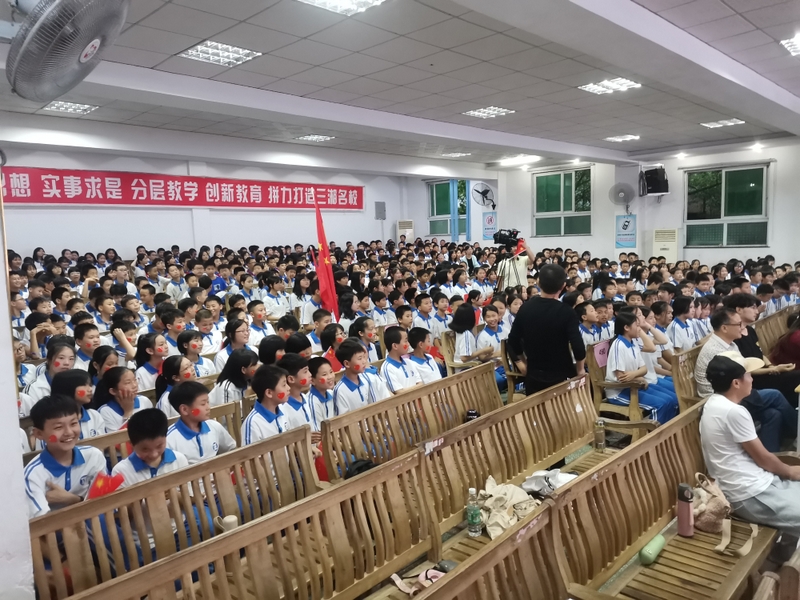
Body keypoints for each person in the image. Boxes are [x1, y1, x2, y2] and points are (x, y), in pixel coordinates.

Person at [700, 353, 800, 536]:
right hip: (748, 493)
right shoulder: (733, 411)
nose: (752, 379)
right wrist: (790, 471)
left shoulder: (714, 403)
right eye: (748, 374)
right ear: (736, 383)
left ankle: (783, 550)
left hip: (755, 482)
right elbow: (763, 459)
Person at [694, 307, 796, 452]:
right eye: (738, 324)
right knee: (775, 395)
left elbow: (743, 370)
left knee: (773, 414)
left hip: (733, 390)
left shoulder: (730, 344)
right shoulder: (717, 350)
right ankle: (797, 433)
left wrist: (772, 368)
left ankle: (772, 453)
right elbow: (735, 381)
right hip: (721, 398)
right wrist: (772, 370)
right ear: (724, 328)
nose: (742, 327)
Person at [24, 395, 107, 518]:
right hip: (57, 529)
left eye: (73, 423)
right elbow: (43, 523)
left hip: (95, 523)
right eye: (58, 427)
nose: (68, 432)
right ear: (39, 434)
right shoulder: (32, 475)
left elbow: (104, 502)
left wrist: (73, 499)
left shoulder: (93, 456)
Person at [509, 264, 585, 394]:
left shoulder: (525, 308)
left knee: (536, 406)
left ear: (538, 283)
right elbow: (578, 346)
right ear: (563, 286)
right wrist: (580, 370)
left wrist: (524, 362)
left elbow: (513, 340)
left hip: (534, 374)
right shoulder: (566, 312)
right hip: (561, 375)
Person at [604, 311, 679, 423]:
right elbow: (621, 377)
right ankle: (653, 433)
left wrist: (635, 375)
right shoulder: (618, 345)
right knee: (661, 404)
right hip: (619, 391)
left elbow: (644, 369)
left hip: (634, 385)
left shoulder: (634, 342)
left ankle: (668, 430)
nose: (640, 329)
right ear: (626, 328)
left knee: (672, 399)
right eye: (637, 326)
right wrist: (639, 377)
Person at [112, 409, 189, 486]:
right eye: (145, 449)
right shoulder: (121, 472)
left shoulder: (179, 460)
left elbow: (188, 492)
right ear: (132, 444)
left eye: (159, 446)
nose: (154, 455)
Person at [166, 381, 236, 466]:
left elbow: (232, 449)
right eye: (203, 404)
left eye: (208, 402)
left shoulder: (214, 426)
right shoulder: (169, 439)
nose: (208, 407)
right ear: (184, 409)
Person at [241, 364, 290, 444]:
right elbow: (250, 452)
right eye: (284, 385)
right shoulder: (253, 423)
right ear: (269, 393)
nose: (288, 388)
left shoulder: (283, 410)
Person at [95, 367, 154, 432]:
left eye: (135, 380)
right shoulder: (105, 412)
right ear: (113, 391)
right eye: (128, 382)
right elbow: (117, 438)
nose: (134, 385)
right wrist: (128, 412)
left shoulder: (144, 401)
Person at [275, 353, 316, 436]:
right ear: (291, 379)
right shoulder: (283, 408)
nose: (310, 374)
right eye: (305, 371)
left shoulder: (305, 398)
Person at [380, 327, 421, 393]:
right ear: (395, 346)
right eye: (405, 341)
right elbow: (400, 393)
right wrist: (416, 388)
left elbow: (421, 384)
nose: (408, 344)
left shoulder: (409, 362)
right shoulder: (387, 368)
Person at [307, 356, 336, 429]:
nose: (330, 377)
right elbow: (319, 430)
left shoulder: (331, 393)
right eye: (324, 374)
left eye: (331, 372)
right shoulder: (312, 401)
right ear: (312, 380)